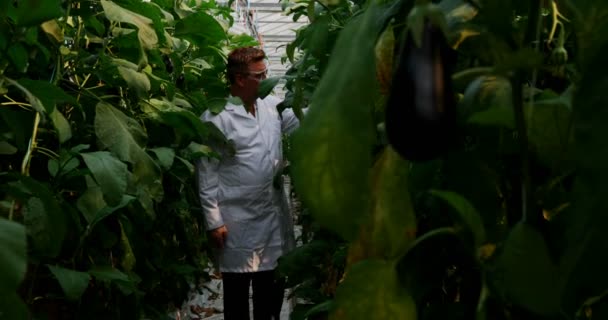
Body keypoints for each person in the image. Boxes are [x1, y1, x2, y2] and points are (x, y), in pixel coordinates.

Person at [195, 47, 302, 320]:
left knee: (272, 290)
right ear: (240, 79)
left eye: (267, 73)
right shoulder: (216, 118)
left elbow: (299, 119)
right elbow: (206, 172)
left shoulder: (271, 106)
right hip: (236, 220)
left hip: (272, 214)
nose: (267, 79)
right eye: (261, 75)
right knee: (237, 296)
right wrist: (213, 220)